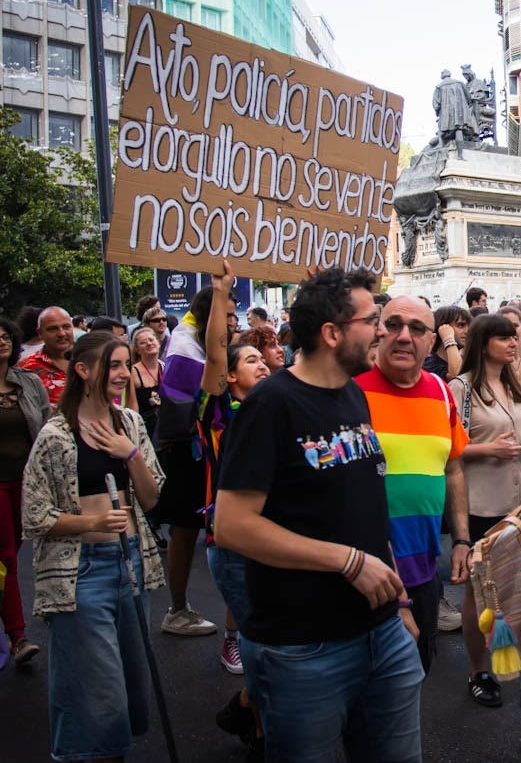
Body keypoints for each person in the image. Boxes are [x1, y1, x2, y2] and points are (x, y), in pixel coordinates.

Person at [215, 267, 423, 761]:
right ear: (331, 333)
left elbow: (365, 506)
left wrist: (401, 601)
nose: (382, 331)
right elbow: (232, 525)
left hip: (382, 631)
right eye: (372, 320)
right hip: (303, 648)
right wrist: (346, 562)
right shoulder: (271, 405)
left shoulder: (353, 394)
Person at [23, 330, 165, 762]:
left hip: (130, 565)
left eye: (126, 364)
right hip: (79, 573)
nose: (124, 373)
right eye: (114, 364)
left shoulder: (131, 424)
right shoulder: (54, 435)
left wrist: (131, 455)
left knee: (127, 677)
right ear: (82, 370)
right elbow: (33, 516)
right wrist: (93, 521)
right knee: (96, 685)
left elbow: (153, 497)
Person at [356, 296, 471, 674]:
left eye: (418, 328)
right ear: (377, 331)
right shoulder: (349, 392)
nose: (404, 336)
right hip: (364, 577)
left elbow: (453, 470)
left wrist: (460, 540)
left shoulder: (440, 391)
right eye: (394, 325)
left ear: (431, 341)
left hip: (423, 573)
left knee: (411, 685)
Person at [194, 265, 271, 752]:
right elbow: (215, 357)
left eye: (264, 360)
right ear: (229, 374)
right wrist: (222, 292)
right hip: (233, 543)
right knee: (262, 640)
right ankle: (259, 723)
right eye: (249, 361)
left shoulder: (280, 406)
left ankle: (247, 707)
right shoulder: (219, 414)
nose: (262, 365)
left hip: (278, 539)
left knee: (276, 640)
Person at [450, 313, 521, 706]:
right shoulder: (461, 388)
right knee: (481, 593)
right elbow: (449, 450)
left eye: (515, 338)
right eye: (504, 338)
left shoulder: (514, 383)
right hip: (482, 502)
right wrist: (490, 449)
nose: (512, 344)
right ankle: (478, 669)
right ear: (484, 342)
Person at [155, 286, 223, 638]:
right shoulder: (185, 348)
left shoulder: (195, 342)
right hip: (189, 454)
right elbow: (187, 413)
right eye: (225, 315)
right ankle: (177, 609)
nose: (231, 322)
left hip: (203, 451)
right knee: (185, 529)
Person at [0, 316, 50, 667]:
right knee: (6, 557)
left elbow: (45, 429)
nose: (1, 341)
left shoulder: (29, 383)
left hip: (26, 481)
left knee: (10, 555)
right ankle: (18, 637)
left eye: (5, 336)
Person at [19, 306, 74, 409]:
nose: (61, 333)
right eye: (53, 329)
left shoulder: (91, 359)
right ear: (40, 333)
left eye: (66, 327)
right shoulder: (26, 367)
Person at [128, 325, 164, 441]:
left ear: (158, 343)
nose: (149, 343)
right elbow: (133, 408)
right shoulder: (133, 373)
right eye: (143, 342)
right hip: (148, 430)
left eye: (151, 340)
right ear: (137, 350)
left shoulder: (166, 367)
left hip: (167, 427)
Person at [424, 305, 470, 382]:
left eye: (469, 326)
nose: (467, 331)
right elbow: (456, 376)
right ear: (443, 328)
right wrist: (449, 339)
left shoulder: (466, 361)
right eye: (461, 325)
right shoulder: (428, 364)